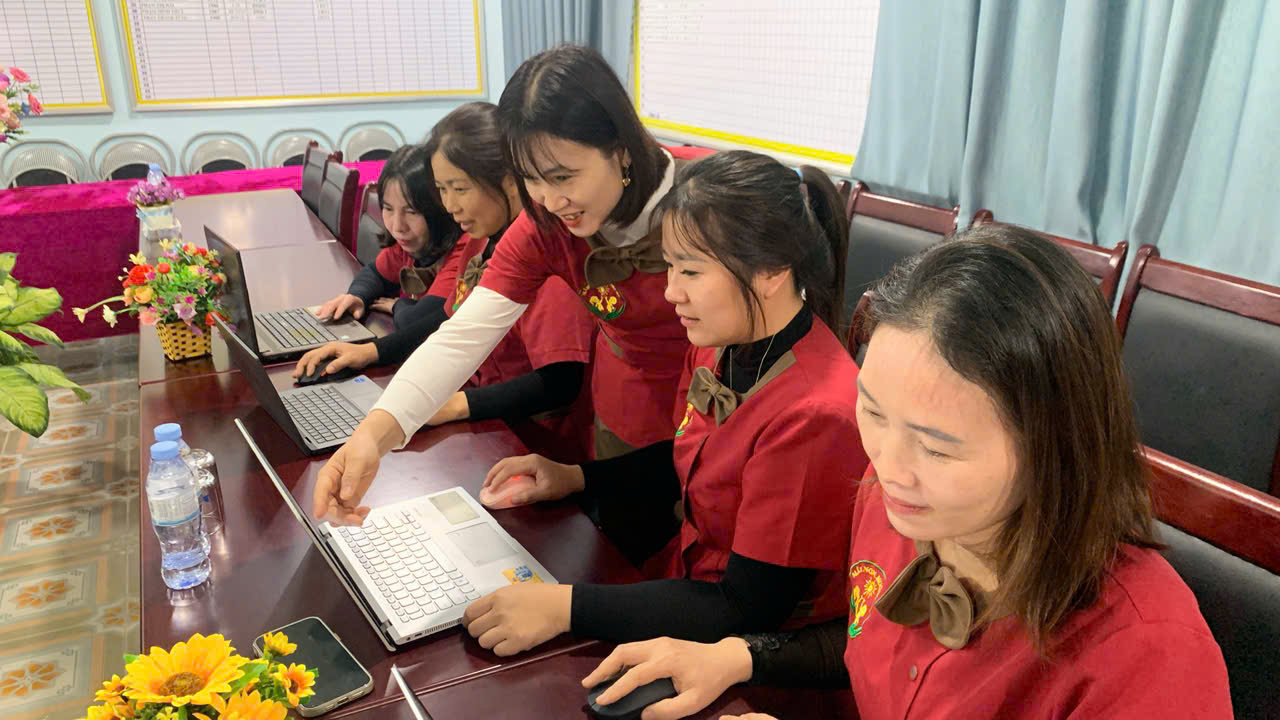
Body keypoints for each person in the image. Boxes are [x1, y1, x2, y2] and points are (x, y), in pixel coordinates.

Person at [576, 224, 1233, 720]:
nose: (888, 467)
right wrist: (735, 656)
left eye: (937, 448)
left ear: (1055, 445)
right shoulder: (891, 500)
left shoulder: (1147, 657)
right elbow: (867, 637)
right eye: (872, 412)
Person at [455, 151, 870, 658]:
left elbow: (747, 607)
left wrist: (565, 608)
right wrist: (576, 477)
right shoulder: (718, 344)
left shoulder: (816, 416)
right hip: (688, 587)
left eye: (690, 271)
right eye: (669, 266)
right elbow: (681, 461)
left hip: (750, 653)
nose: (671, 292)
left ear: (770, 272)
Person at [313, 45, 713, 526]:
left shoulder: (708, 210)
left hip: (717, 414)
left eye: (563, 176)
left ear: (621, 149)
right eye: (530, 179)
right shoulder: (546, 222)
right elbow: (465, 333)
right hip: (625, 409)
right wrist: (373, 435)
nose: (550, 199)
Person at [294, 103, 597, 462]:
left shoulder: (547, 262)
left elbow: (561, 381)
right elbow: (451, 322)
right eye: (442, 189)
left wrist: (457, 405)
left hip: (531, 441)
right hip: (480, 415)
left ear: (509, 180)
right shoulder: (481, 239)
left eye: (460, 189)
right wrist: (371, 352)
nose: (450, 206)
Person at [313, 144, 461, 329]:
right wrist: (357, 296)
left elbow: (418, 321)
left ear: (440, 208)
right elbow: (374, 273)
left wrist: (398, 305)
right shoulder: (409, 245)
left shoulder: (461, 252)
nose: (397, 227)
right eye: (388, 209)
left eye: (412, 212)